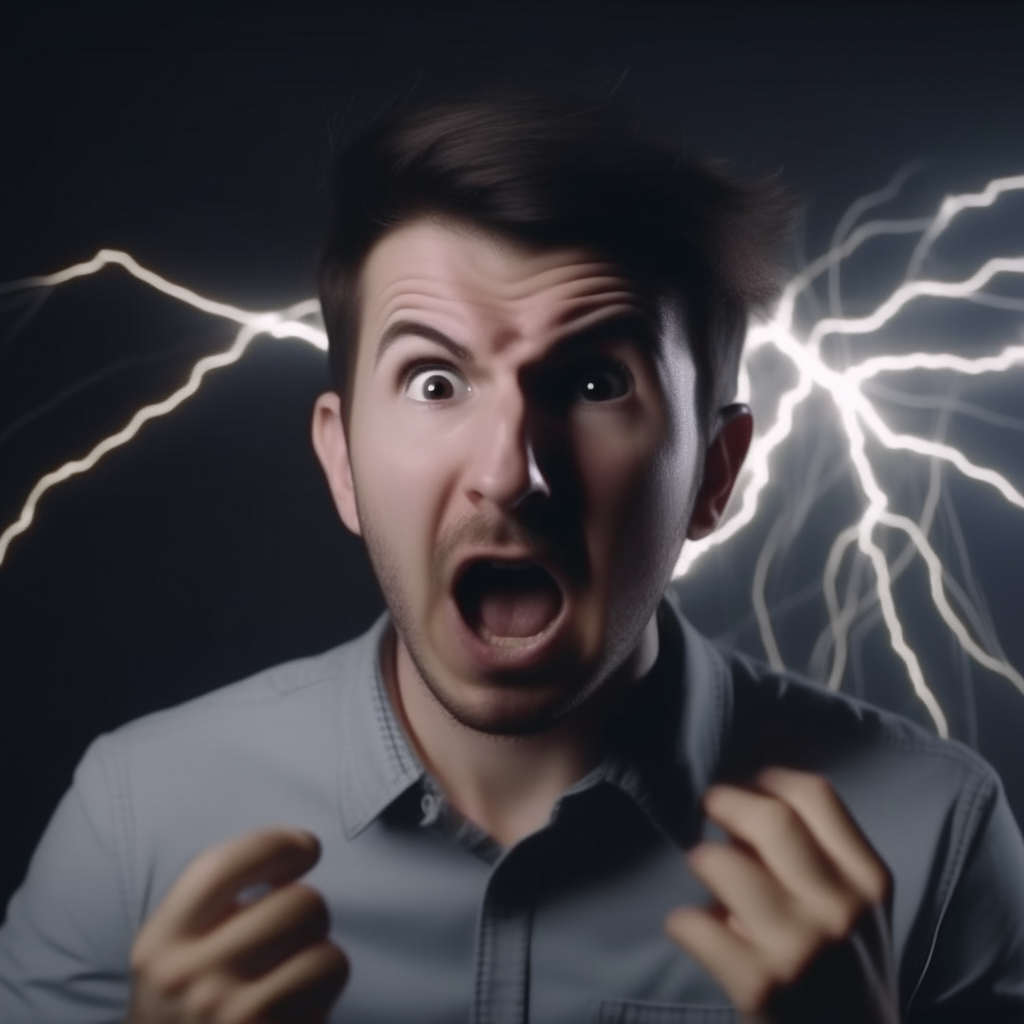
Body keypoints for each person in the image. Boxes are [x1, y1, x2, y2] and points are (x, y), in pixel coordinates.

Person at [1, 93, 1023, 1024]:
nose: (510, 472)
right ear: (341, 460)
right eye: (436, 382)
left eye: (590, 384)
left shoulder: (934, 835)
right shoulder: (137, 822)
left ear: (715, 472)